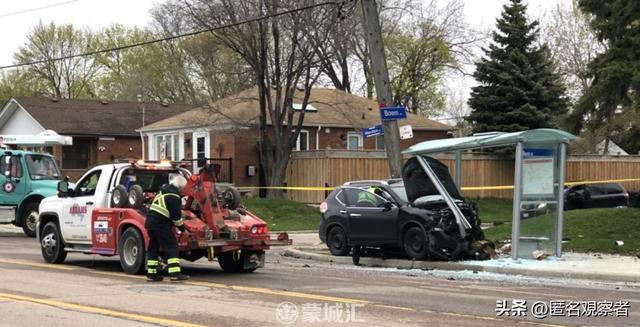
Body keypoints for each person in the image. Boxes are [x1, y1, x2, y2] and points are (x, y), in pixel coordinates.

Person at [145, 174, 189, 282]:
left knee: (153, 248)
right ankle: (174, 274)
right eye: (184, 189)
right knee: (171, 246)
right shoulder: (174, 196)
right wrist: (183, 229)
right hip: (160, 224)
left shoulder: (163, 190)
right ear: (180, 187)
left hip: (151, 222)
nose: (184, 191)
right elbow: (176, 217)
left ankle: (151, 274)